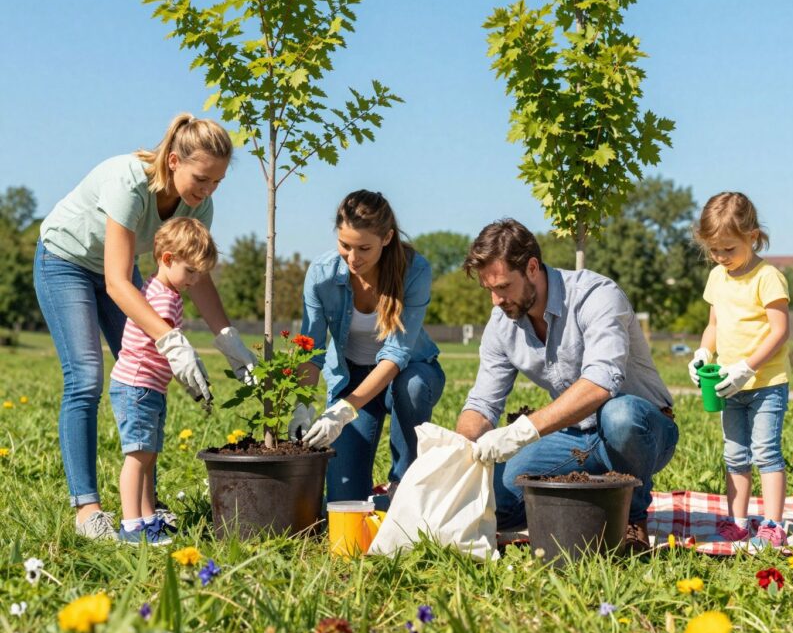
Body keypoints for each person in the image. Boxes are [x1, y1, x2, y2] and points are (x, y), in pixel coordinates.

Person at [35, 114, 260, 540]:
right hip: (66, 261)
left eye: (217, 182)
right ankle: (88, 510)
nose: (208, 191)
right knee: (85, 377)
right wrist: (171, 338)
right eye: (202, 178)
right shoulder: (128, 183)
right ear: (173, 160)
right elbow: (119, 282)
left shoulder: (199, 205)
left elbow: (198, 275)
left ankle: (144, 509)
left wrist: (229, 342)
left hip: (114, 274)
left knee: (142, 375)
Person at [455, 219, 678, 552]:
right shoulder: (502, 323)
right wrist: (457, 449)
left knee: (619, 416)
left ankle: (631, 520)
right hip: (574, 435)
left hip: (641, 431)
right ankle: (591, 498)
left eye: (502, 287)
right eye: (489, 289)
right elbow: (483, 404)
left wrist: (522, 431)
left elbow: (602, 383)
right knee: (493, 506)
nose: (495, 300)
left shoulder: (596, 295)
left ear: (532, 267)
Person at [295, 191, 444, 503]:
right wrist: (302, 403)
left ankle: (404, 482)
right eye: (344, 245)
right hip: (351, 378)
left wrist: (345, 409)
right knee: (342, 499)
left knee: (413, 386)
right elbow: (312, 350)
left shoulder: (414, 270)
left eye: (364, 248)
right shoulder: (322, 275)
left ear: (387, 238)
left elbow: (396, 355)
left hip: (404, 375)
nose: (353, 258)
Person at [690, 192, 791, 547]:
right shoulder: (718, 277)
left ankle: (774, 524)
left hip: (766, 384)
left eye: (728, 249)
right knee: (734, 454)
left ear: (752, 236)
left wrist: (748, 367)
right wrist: (704, 352)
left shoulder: (768, 277)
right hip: (727, 386)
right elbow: (714, 325)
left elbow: (780, 331)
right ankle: (738, 521)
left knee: (766, 452)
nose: (720, 257)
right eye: (714, 250)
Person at [109, 218, 219, 545]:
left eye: (201, 273)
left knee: (149, 455)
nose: (195, 280)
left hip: (150, 388)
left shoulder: (167, 293)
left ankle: (147, 518)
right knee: (137, 456)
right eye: (191, 271)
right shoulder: (159, 297)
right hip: (137, 387)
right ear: (167, 259)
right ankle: (131, 526)